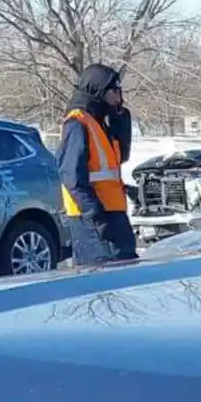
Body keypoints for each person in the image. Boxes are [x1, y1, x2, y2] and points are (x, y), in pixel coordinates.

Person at [59, 63, 137, 264]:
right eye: (114, 91)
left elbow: (117, 162)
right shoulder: (78, 123)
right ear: (98, 91)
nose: (118, 97)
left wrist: (121, 121)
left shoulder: (100, 123)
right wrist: (96, 216)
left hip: (112, 216)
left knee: (126, 277)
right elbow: (71, 176)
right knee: (105, 283)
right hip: (93, 223)